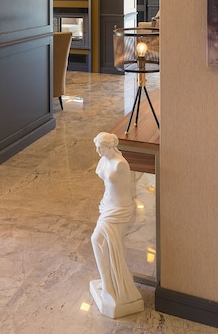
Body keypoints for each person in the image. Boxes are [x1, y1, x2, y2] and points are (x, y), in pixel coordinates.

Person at [89, 132, 143, 318]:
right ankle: (111, 283)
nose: (98, 151)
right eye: (97, 147)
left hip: (119, 209)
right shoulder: (104, 160)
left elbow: (126, 189)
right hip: (107, 206)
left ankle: (114, 287)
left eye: (100, 148)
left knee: (99, 240)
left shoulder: (121, 164)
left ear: (110, 146)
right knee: (112, 244)